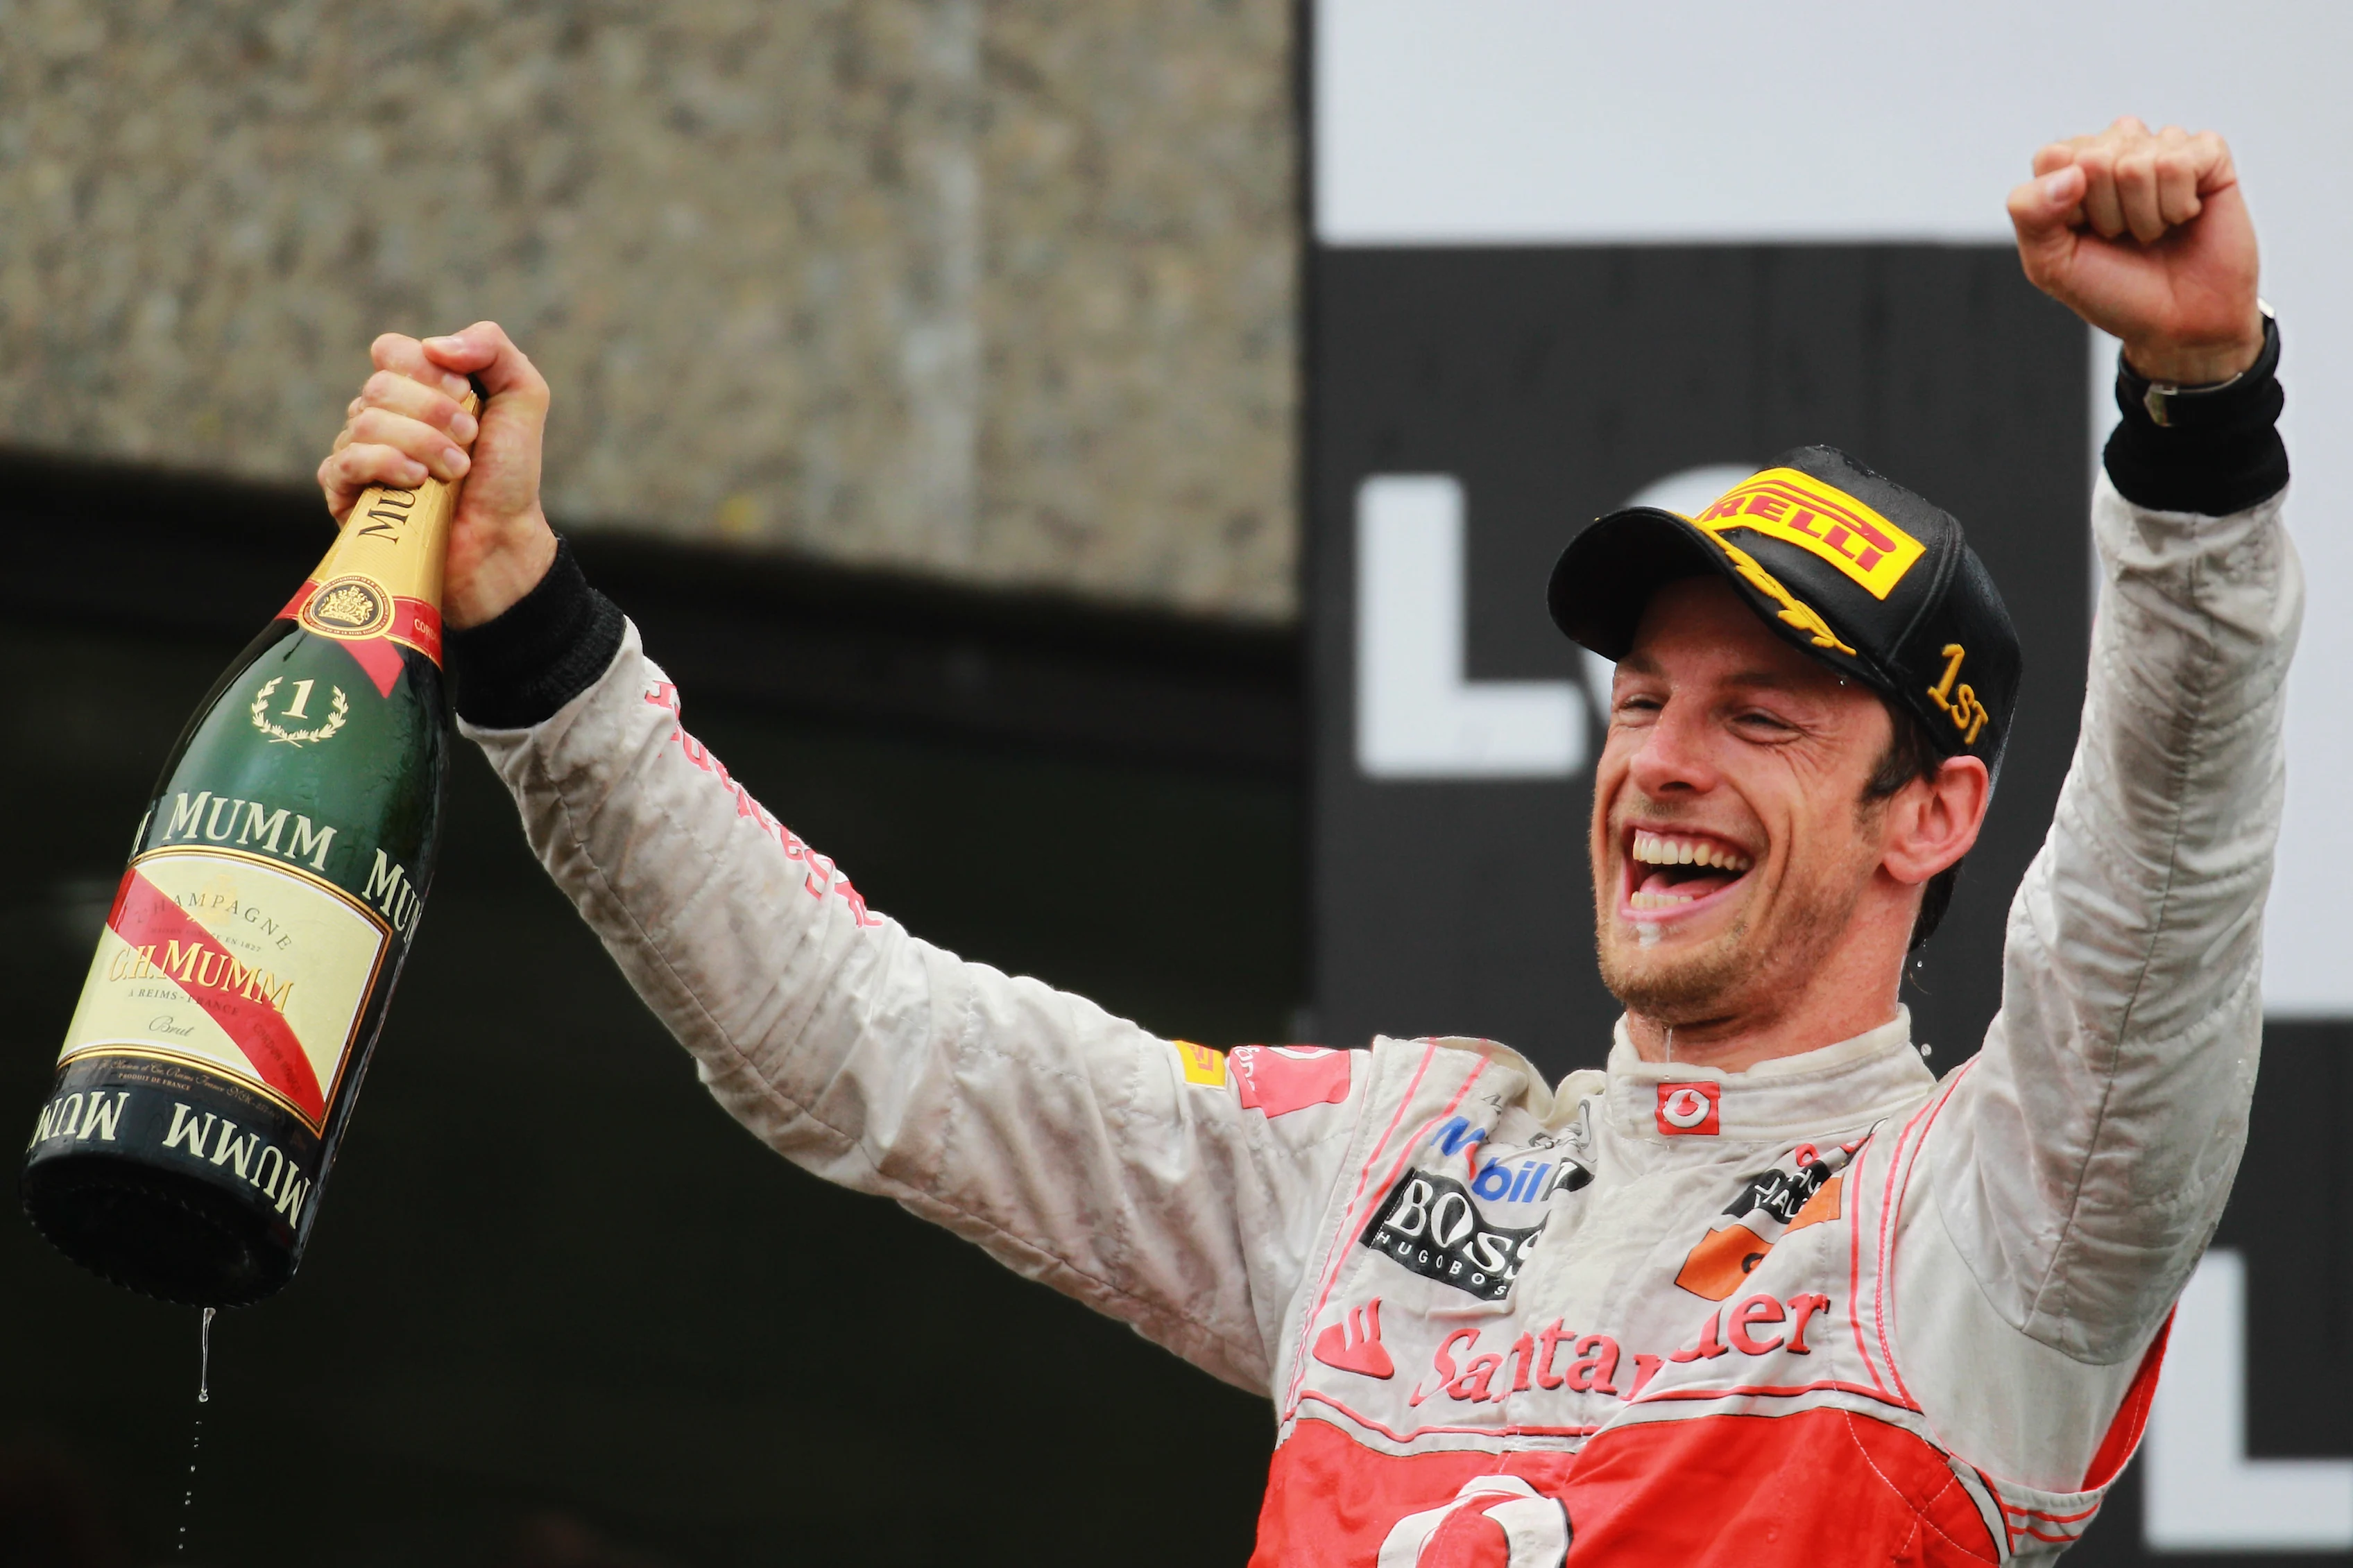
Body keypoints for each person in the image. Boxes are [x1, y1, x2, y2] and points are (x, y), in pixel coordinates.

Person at [318, 119, 2293, 1562]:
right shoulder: (1399, 1151)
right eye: (1640, 700)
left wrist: (2198, 431)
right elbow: (867, 1041)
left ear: (1931, 815)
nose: (1666, 763)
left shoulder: (1988, 1228)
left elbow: (2161, 895)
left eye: (1762, 718)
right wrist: (534, 637)